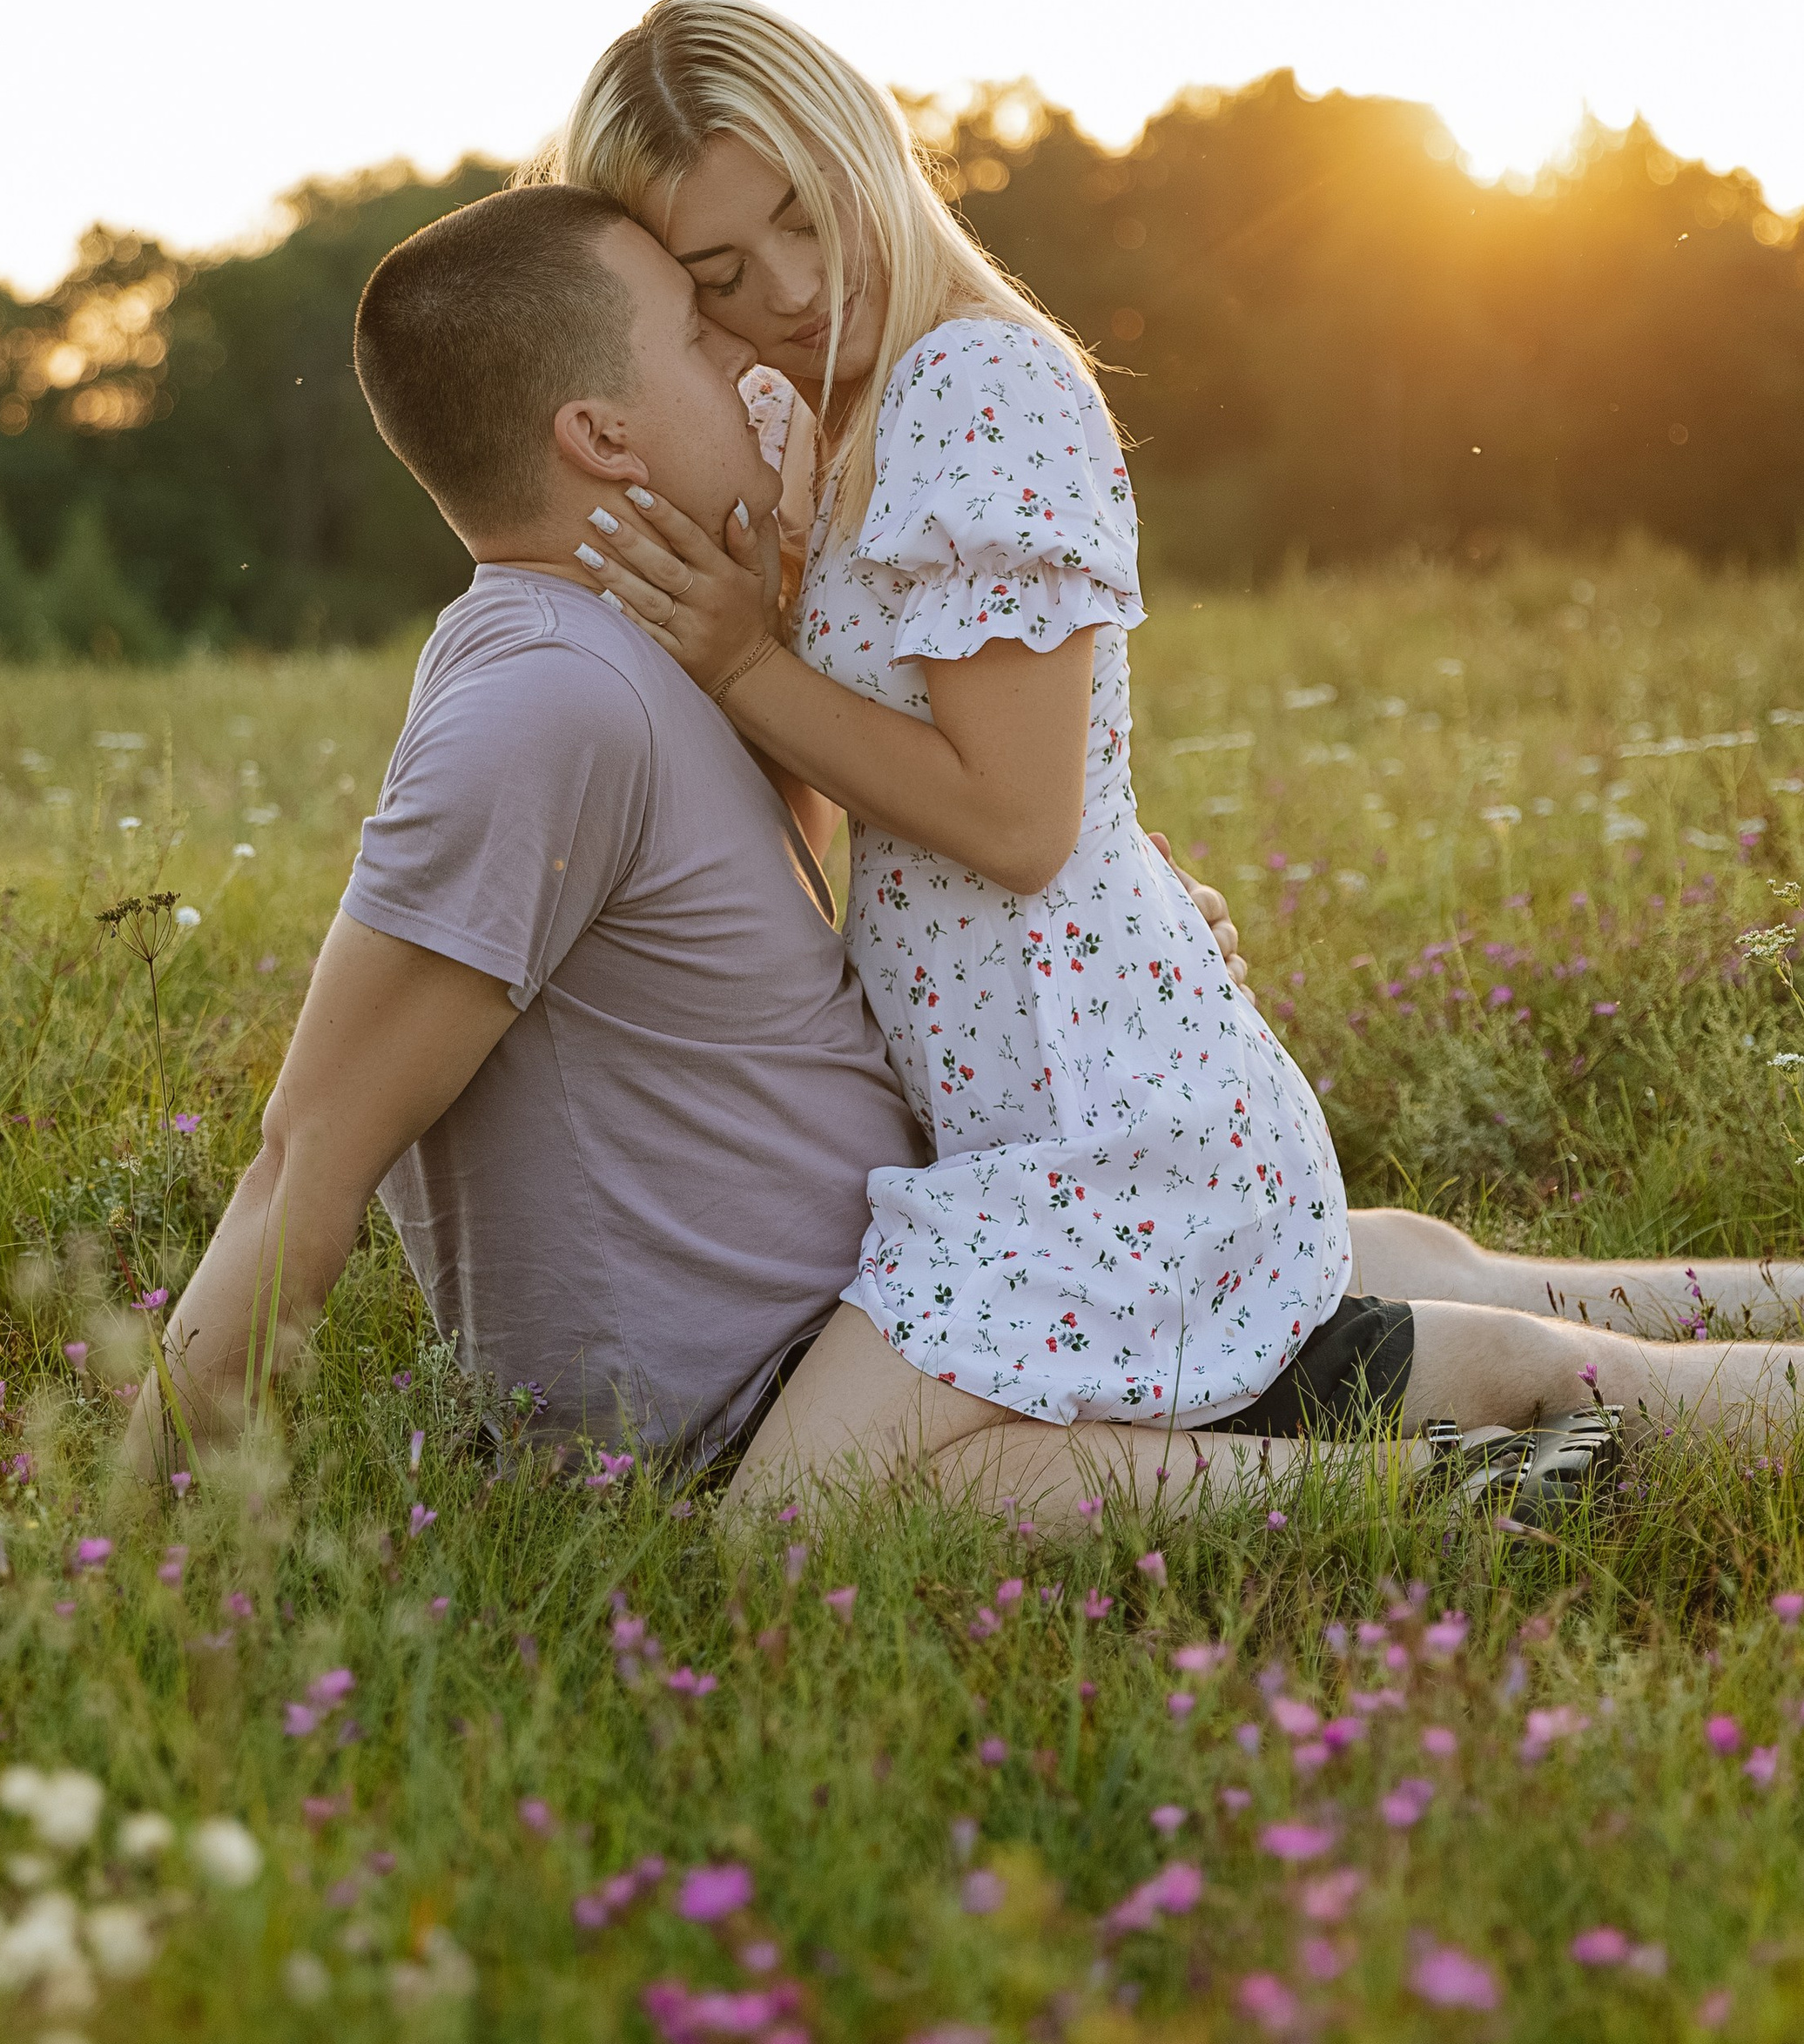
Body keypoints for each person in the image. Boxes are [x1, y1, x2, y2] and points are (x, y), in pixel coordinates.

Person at [126, 172, 1804, 1520]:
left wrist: (1119, 896)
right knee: (1450, 1349)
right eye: (700, 342)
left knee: (1397, 1275)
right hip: (835, 1361)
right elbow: (300, 1163)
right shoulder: (550, 702)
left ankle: (1611, 1393)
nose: (759, 358)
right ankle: (1454, 1487)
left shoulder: (658, 641)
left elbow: (888, 864)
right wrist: (118, 1545)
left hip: (916, 1262)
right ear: (599, 438)